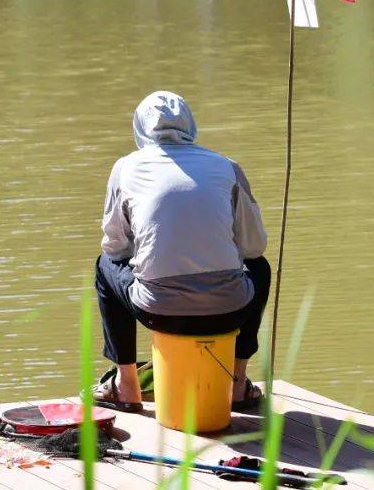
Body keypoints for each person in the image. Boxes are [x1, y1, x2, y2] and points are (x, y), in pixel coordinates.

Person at [92, 91, 270, 413]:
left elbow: (114, 247)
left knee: (105, 266)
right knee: (260, 267)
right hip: (229, 308)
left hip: (157, 311)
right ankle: (238, 384)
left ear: (139, 128)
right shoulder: (226, 166)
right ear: (190, 125)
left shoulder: (126, 168)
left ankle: (126, 386)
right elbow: (254, 247)